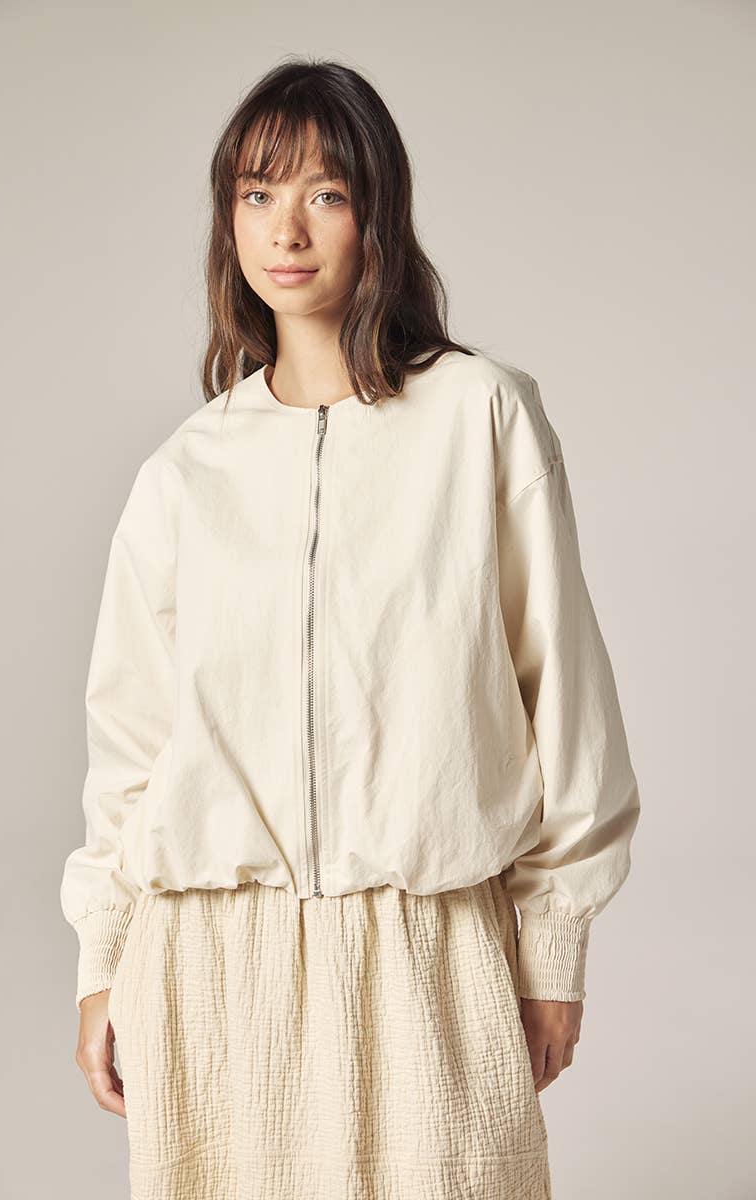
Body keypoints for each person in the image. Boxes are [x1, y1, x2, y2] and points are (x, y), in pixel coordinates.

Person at [60, 56, 641, 1200]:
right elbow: (131, 742)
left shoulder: (479, 416)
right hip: (209, 962)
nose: (286, 229)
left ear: (377, 214)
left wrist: (552, 947)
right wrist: (102, 961)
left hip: (425, 950)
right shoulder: (185, 471)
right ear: (227, 219)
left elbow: (562, 695)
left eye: (323, 193)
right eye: (255, 193)